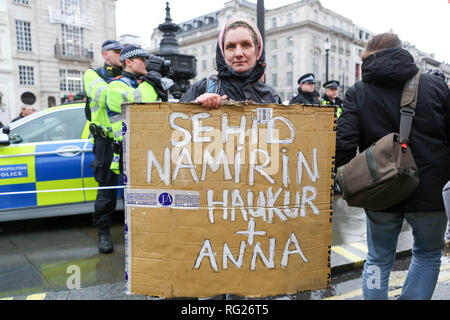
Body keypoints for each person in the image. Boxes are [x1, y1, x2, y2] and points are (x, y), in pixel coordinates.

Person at [336, 33, 450, 300]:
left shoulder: (359, 92)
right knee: (427, 254)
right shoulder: (435, 86)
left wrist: (341, 179)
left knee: (377, 257)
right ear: (401, 53)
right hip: (431, 192)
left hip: (379, 188)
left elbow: (344, 142)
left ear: (369, 54)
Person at [180, 18, 281, 108]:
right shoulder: (201, 88)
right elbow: (174, 123)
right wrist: (195, 106)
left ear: (257, 50)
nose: (238, 53)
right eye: (231, 46)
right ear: (222, 52)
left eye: (246, 45)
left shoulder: (272, 95)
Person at [83, 39, 123, 254]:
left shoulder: (128, 78)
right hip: (105, 142)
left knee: (132, 191)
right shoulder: (93, 74)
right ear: (105, 54)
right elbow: (106, 96)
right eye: (117, 52)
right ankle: (104, 233)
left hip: (127, 140)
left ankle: (134, 231)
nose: (120, 55)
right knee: (107, 190)